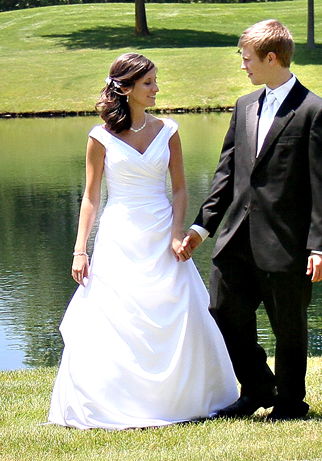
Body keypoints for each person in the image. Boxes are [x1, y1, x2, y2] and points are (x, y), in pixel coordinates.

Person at [48, 53, 239, 429]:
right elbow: (91, 196)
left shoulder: (168, 130)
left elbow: (181, 189)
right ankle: (114, 402)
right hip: (119, 235)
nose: (156, 88)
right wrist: (80, 249)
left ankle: (184, 399)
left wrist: (177, 231)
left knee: (175, 310)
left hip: (161, 232)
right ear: (125, 87)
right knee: (115, 317)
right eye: (148, 82)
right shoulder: (99, 137)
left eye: (155, 81)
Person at [174, 19, 322, 420]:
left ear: (271, 57)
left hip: (288, 243)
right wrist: (201, 227)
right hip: (235, 239)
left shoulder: (315, 111)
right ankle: (258, 388)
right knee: (222, 312)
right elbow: (226, 174)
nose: (243, 66)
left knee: (289, 327)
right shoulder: (245, 105)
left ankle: (290, 402)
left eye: (247, 58)